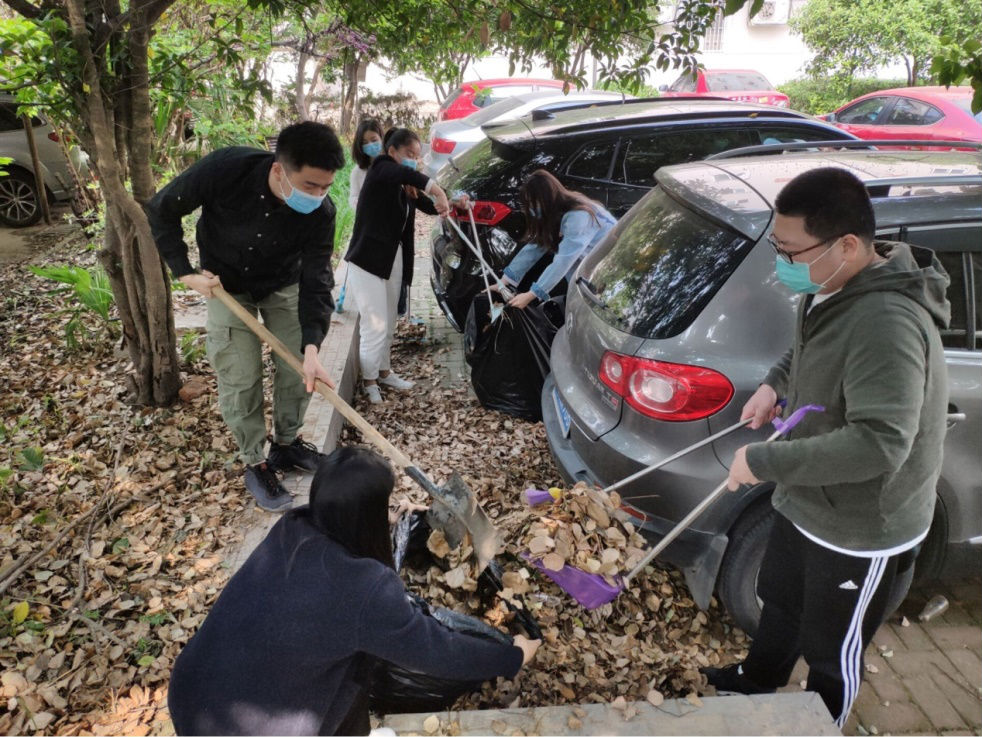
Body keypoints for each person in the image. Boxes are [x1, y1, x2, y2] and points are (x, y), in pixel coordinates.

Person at [704, 167, 950, 727]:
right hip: (809, 494)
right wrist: (774, 384)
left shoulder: (887, 323)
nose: (782, 264)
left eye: (790, 251)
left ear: (847, 245)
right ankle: (757, 680)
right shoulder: (830, 284)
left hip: (862, 522)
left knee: (832, 645)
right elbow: (809, 347)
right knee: (780, 599)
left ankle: (824, 722)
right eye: (776, 247)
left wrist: (762, 460)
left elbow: (880, 444)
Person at [167, 446, 541, 736]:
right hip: (251, 729)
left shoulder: (291, 528)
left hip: (192, 695)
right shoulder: (365, 589)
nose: (390, 510)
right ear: (366, 515)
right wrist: (512, 656)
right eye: (383, 505)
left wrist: (385, 518)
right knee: (357, 669)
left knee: (347, 657)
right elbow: (438, 650)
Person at [146, 122, 345, 513]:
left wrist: (311, 346)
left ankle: (287, 444)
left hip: (282, 281)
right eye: (310, 186)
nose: (318, 196)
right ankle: (256, 461)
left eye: (326, 187)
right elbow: (161, 209)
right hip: (225, 285)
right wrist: (184, 272)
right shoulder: (226, 168)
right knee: (240, 373)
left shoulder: (321, 213)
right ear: (279, 169)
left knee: (298, 368)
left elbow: (317, 279)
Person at [344, 127, 451, 404]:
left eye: (417, 155)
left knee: (389, 320)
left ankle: (384, 372)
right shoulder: (381, 169)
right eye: (409, 154)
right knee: (375, 324)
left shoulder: (403, 185)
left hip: (393, 258)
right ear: (391, 152)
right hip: (367, 261)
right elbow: (408, 175)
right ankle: (369, 383)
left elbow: (429, 206)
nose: (414, 160)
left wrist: (452, 202)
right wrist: (436, 189)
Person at [496, 169, 616, 310]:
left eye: (533, 203)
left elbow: (563, 260)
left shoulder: (578, 216)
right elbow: (537, 245)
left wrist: (532, 294)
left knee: (597, 307)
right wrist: (504, 281)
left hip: (613, 265)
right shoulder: (560, 208)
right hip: (593, 264)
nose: (531, 209)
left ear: (546, 198)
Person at [348, 118, 384, 209]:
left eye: (374, 140)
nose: (370, 145)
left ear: (382, 139)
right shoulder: (357, 172)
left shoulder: (393, 166)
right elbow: (353, 197)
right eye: (365, 142)